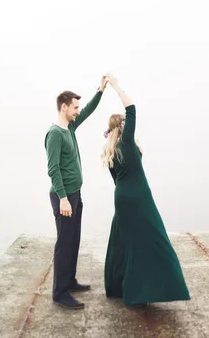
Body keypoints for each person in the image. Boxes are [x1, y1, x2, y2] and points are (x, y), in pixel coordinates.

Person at [101, 74, 191, 306]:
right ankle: (147, 291)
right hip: (140, 197)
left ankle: (118, 286)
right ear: (122, 126)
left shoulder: (110, 152)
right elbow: (131, 107)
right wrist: (115, 85)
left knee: (124, 241)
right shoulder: (127, 142)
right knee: (154, 240)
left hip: (121, 198)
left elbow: (116, 181)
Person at [45, 75, 109, 310]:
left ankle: (70, 281)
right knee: (64, 243)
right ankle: (60, 293)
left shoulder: (70, 127)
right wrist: (63, 198)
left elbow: (89, 110)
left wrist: (100, 91)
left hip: (75, 194)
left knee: (73, 240)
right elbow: (53, 169)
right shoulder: (55, 134)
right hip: (63, 197)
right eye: (74, 108)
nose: (77, 111)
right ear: (64, 107)